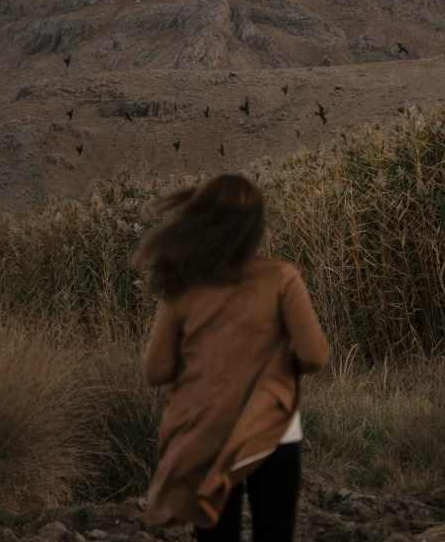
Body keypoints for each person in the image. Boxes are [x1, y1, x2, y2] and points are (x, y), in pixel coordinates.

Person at [130, 173, 331, 542]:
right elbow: (315, 356)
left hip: (207, 433)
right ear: (255, 225)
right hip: (273, 433)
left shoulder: (184, 285)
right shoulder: (281, 277)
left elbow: (156, 370)